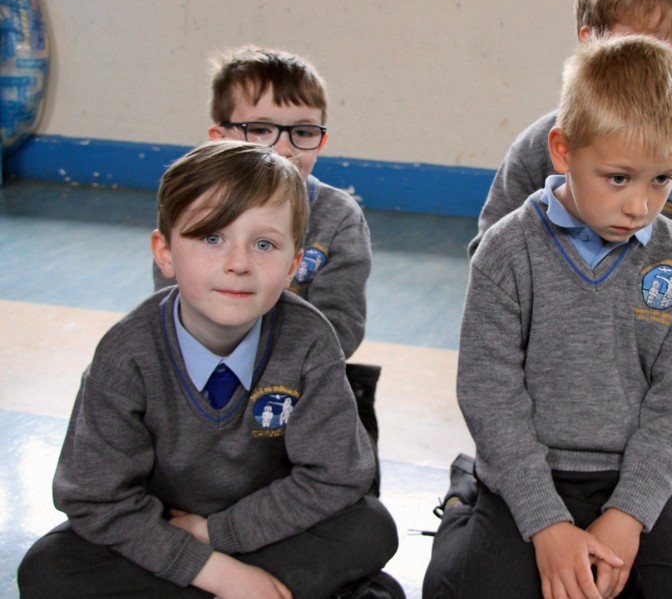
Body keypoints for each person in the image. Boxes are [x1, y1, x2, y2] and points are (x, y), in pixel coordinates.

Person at [19, 140, 403, 599]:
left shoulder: (310, 340)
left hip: (270, 524)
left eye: (264, 244)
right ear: (165, 252)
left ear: (293, 265)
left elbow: (336, 476)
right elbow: (95, 499)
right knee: (48, 569)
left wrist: (216, 534)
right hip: (162, 529)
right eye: (211, 238)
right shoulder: (127, 354)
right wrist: (219, 574)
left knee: (369, 527)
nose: (238, 264)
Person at [423, 35, 672, 599]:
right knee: (462, 589)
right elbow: (489, 393)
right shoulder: (506, 251)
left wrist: (629, 513)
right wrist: (545, 522)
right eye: (618, 178)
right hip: (529, 470)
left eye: (662, 179)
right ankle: (463, 500)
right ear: (563, 151)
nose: (640, 206)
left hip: (635, 472)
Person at [467, 0, 672, 500]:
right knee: (510, 450)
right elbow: (490, 249)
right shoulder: (542, 143)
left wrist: (646, 323)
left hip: (639, 347)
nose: (665, 60)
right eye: (646, 42)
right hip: (551, 357)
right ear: (590, 41)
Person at [153, 46, 383, 494]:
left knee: (361, 511)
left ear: (321, 138)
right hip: (205, 383)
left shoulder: (338, 216)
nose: (283, 148)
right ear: (218, 138)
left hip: (302, 385)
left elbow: (342, 326)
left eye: (302, 132)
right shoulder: (190, 204)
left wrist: (273, 371)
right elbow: (174, 309)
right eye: (259, 129)